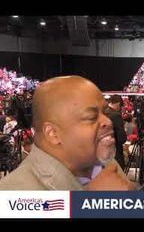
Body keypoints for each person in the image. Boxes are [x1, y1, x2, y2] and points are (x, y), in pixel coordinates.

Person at [0, 76, 135, 190]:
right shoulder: (13, 192)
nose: (108, 121)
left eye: (105, 113)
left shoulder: (106, 164)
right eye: (91, 117)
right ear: (53, 133)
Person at [106, 94, 127, 169]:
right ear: (118, 104)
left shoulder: (103, 112)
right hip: (115, 152)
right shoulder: (115, 115)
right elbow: (122, 138)